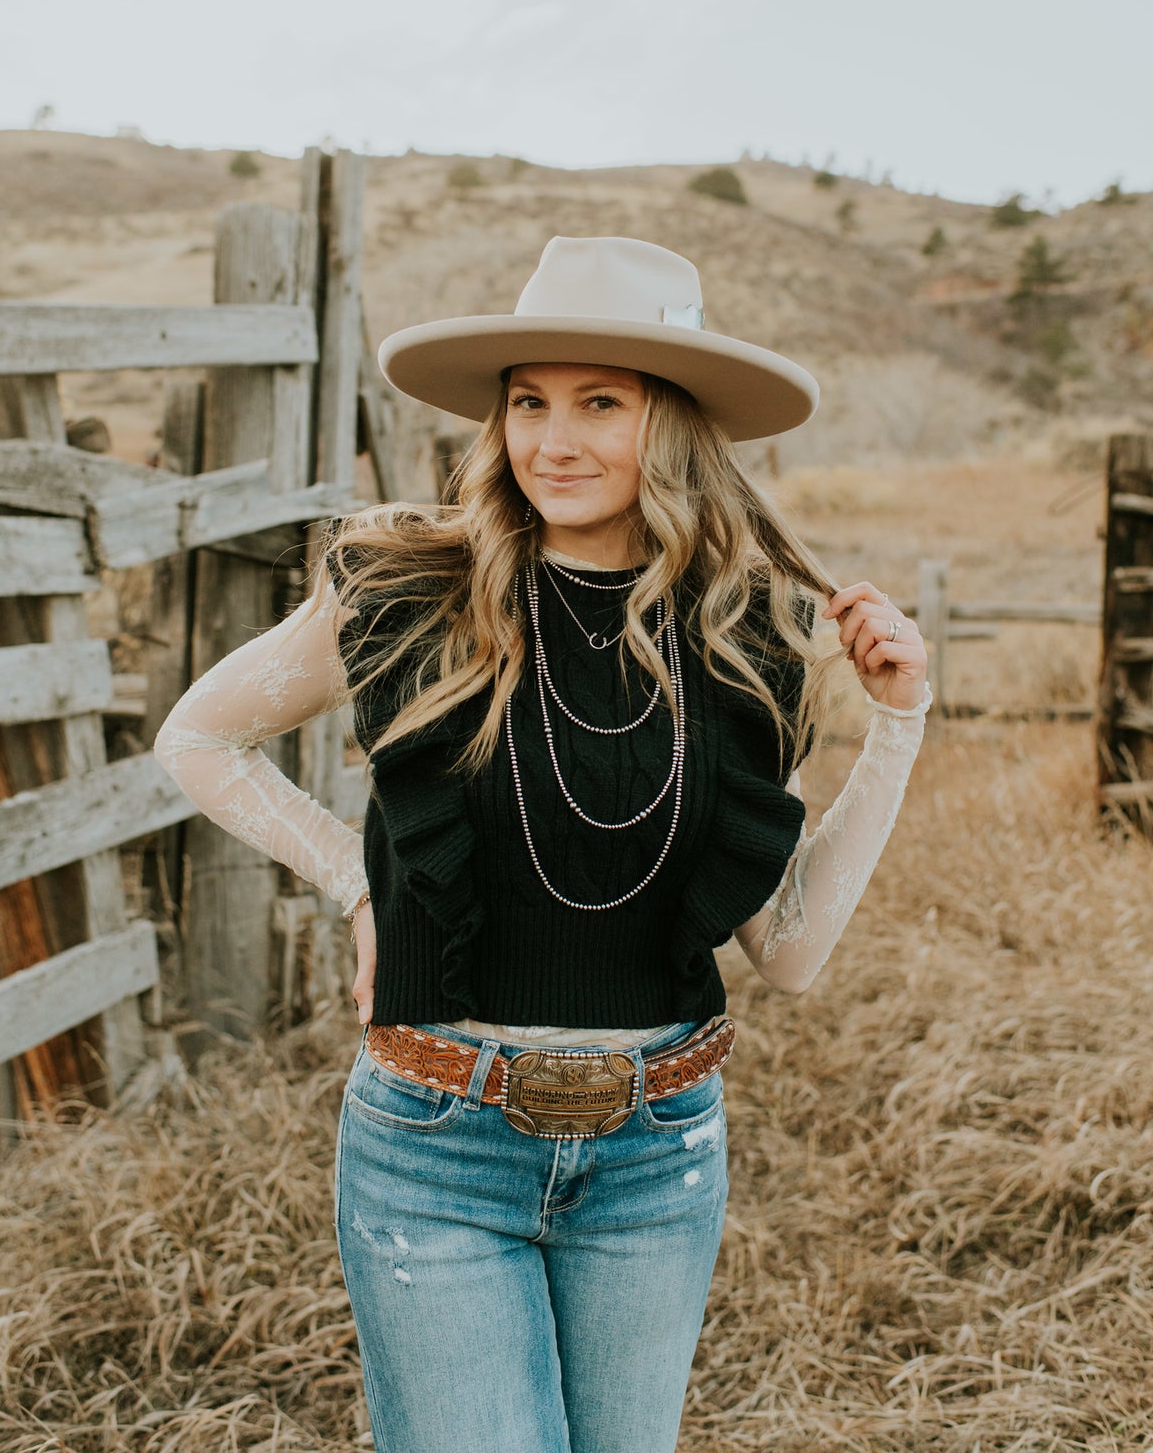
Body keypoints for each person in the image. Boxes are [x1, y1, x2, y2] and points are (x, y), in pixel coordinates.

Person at [154, 234, 931, 1453]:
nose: (551, 441)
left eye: (599, 403)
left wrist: (898, 723)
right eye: (529, 403)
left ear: (672, 424)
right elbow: (198, 740)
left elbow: (784, 953)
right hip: (435, 1149)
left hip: (655, 1157)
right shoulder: (408, 590)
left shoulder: (751, 637)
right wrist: (358, 879)